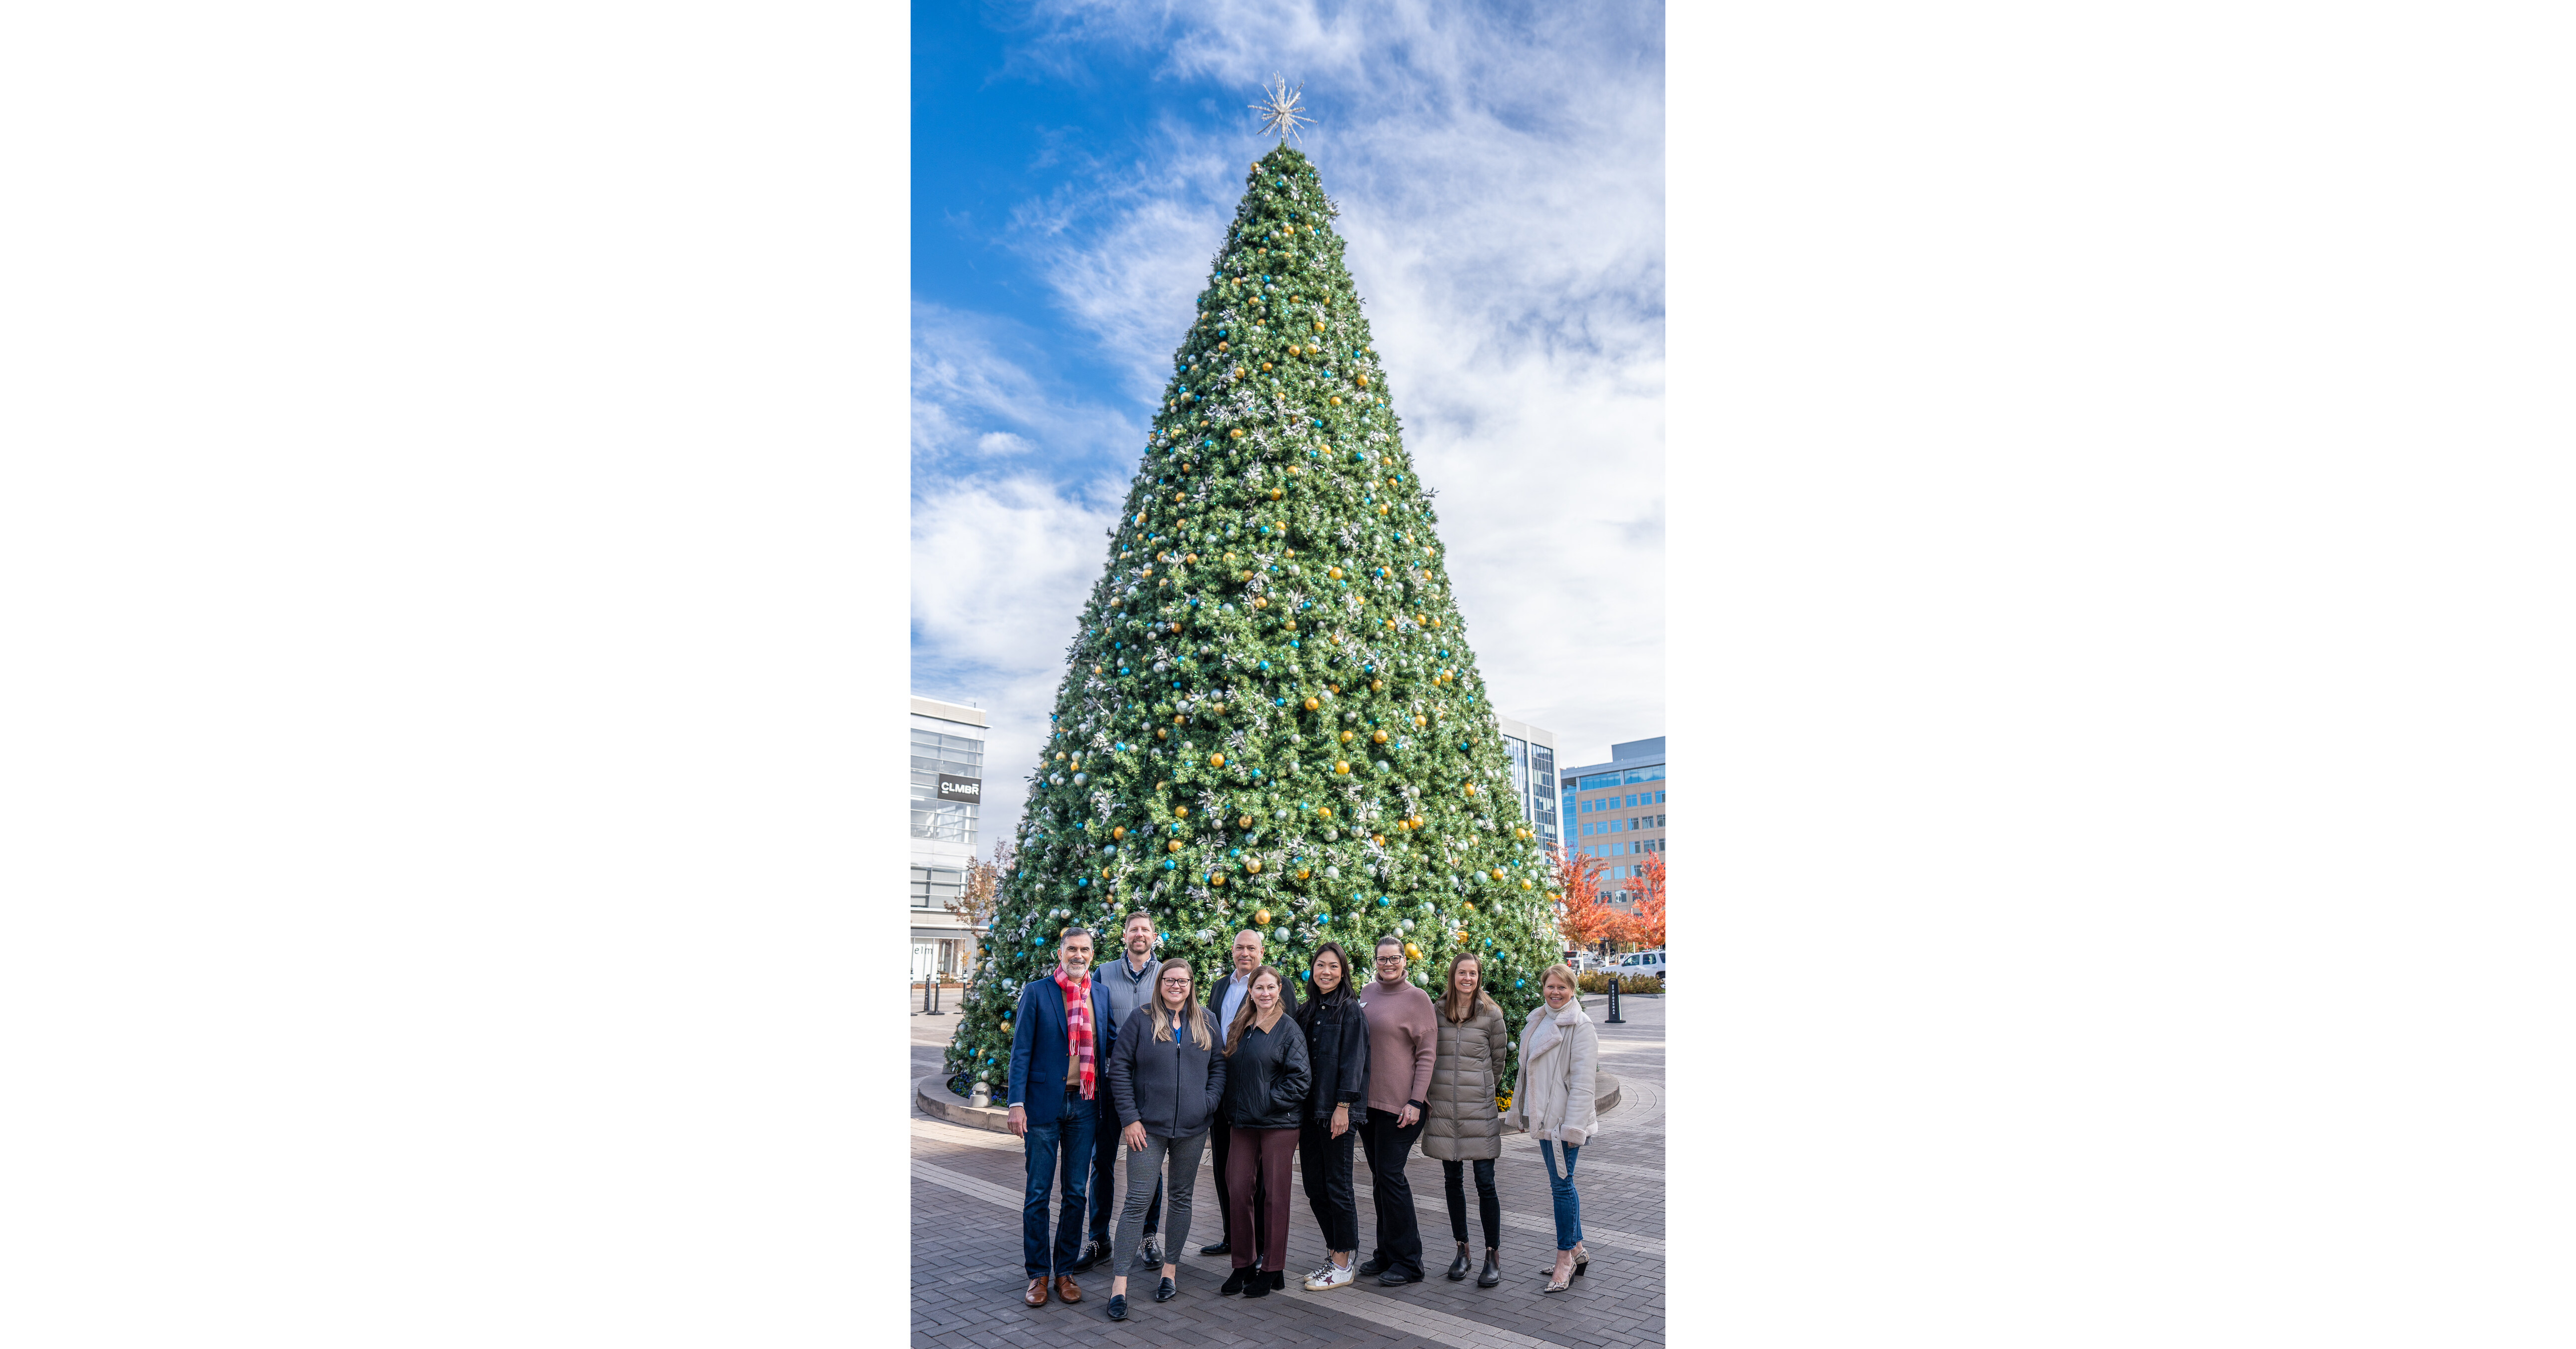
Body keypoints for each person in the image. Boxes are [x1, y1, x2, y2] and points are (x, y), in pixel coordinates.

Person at [1099, 958, 1225, 1322]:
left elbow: (1218, 1067)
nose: (1176, 986)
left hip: (1193, 1127)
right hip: (1147, 1129)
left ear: (1191, 984)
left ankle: (1170, 1272)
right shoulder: (1140, 1019)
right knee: (1138, 1199)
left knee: (1181, 1198)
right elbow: (1119, 1069)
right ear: (1160, 983)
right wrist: (1131, 1119)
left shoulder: (1207, 1020)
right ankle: (1119, 1286)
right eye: (1170, 980)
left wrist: (1208, 1103)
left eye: (1183, 980)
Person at [1006, 927, 1115, 1308]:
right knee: (1037, 1193)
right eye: (1072, 948)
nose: (1079, 955)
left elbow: (1111, 1047)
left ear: (1092, 953)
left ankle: (1064, 1271)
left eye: (1085, 949)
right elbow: (1020, 1051)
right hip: (1041, 1107)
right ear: (1061, 951)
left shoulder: (1099, 994)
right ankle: (1038, 1274)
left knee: (1075, 1193)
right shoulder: (1037, 992)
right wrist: (1015, 1104)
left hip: (1085, 1105)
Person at [1198, 929, 1298, 1265]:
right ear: (1232, 950)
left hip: (1259, 1093)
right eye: (1239, 948)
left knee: (1259, 1177)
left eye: (1251, 948)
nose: (1245, 953)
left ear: (1261, 951)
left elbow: (1287, 1042)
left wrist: (1272, 1095)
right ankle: (1233, 1236)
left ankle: (1261, 1246)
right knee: (1228, 1169)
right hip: (1224, 1090)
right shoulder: (1219, 987)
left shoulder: (1274, 986)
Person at [1074, 911, 1163, 1274]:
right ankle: (1099, 1238)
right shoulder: (1103, 974)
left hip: (1153, 1087)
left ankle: (1147, 1236)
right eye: (1133, 930)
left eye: (1145, 930)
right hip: (1110, 1084)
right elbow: (1091, 1026)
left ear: (1154, 936)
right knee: (1102, 1162)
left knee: (1150, 1166)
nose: (1139, 935)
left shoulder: (1167, 975)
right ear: (1123, 936)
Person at [1502, 962, 1600, 1293]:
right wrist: (1524, 1113)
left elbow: (1584, 1086)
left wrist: (1572, 1128)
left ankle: (1564, 1260)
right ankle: (1577, 1249)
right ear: (1542, 987)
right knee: (1561, 1184)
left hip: (1564, 1123)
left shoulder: (1581, 1027)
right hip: (1545, 1118)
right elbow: (1526, 1074)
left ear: (1572, 990)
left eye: (1562, 987)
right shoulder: (1538, 1019)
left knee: (1562, 1186)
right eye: (1550, 986)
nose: (1555, 992)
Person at [1216, 965, 1310, 1299]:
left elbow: (1300, 1079)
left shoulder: (1288, 1029)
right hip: (1243, 1124)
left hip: (1278, 1124)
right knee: (1238, 1188)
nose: (1265, 993)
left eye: (1271, 987)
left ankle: (1272, 1268)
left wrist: (1267, 1101)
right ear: (1251, 991)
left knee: (1275, 1196)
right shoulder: (1242, 1026)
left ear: (1279, 990)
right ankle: (1243, 1264)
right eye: (1259, 988)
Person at [1354, 933, 1438, 1286]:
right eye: (1382, 959)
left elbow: (1426, 1054)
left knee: (1391, 1177)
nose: (1388, 964)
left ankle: (1409, 1262)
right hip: (1369, 1106)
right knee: (1380, 1181)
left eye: (1394, 958)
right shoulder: (1367, 994)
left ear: (1406, 960)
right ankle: (1385, 1252)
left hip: (1402, 1108)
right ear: (1375, 961)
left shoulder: (1417, 999)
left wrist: (1416, 1101)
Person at [1424, 952, 1510, 1288]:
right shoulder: (1437, 1012)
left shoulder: (1491, 1015)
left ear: (1478, 977)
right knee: (1452, 1182)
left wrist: (1482, 1089)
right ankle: (1462, 1250)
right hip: (1445, 1111)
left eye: (1473, 973)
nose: (1467, 978)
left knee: (1485, 1183)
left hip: (1479, 1110)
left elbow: (1498, 1062)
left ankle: (1492, 1254)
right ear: (1453, 975)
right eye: (1462, 973)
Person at [1292, 941, 1370, 1291]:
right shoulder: (1307, 1011)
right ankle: (1333, 1251)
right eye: (1321, 965)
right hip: (1309, 1112)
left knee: (1338, 1187)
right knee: (1314, 1187)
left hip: (1336, 1112)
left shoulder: (1350, 1010)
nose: (1326, 972)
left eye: (1333, 967)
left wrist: (1343, 1108)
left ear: (1343, 972)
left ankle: (1343, 1261)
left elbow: (1354, 1064)